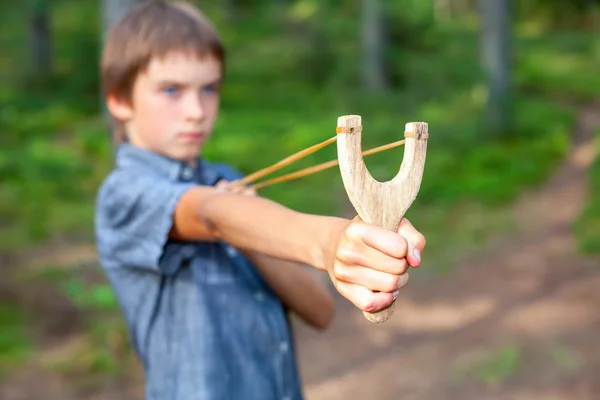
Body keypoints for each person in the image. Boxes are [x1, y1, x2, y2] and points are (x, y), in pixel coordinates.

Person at [95, 1, 426, 399]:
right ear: (119, 100)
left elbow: (319, 311)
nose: (196, 111)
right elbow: (208, 213)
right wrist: (330, 241)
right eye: (171, 90)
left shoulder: (229, 181)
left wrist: (251, 236)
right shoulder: (123, 194)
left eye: (209, 89)